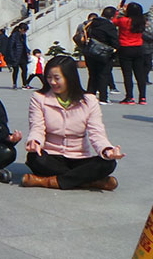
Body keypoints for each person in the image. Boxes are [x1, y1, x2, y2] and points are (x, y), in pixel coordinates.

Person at [23, 56, 124, 190]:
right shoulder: (39, 98)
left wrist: (107, 150)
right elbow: (37, 126)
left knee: (108, 163)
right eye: (48, 77)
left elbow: (96, 132)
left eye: (57, 78)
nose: (52, 82)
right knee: (34, 158)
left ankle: (47, 181)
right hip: (52, 155)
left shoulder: (89, 101)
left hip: (80, 157)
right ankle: (88, 181)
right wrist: (35, 141)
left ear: (70, 77)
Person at [81, 8, 120, 104]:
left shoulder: (92, 23)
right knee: (103, 75)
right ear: (112, 16)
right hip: (103, 53)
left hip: (90, 51)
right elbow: (114, 40)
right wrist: (116, 50)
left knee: (92, 75)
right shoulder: (109, 26)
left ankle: (90, 96)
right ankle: (103, 98)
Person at [113, 1, 148, 104]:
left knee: (127, 74)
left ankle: (130, 97)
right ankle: (142, 98)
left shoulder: (123, 20)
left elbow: (114, 21)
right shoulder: (142, 21)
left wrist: (118, 10)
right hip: (138, 47)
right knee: (140, 74)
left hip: (125, 48)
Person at [6, 23, 30, 89]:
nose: (25, 32)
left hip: (22, 55)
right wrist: (12, 57)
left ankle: (24, 84)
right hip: (16, 55)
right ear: (20, 29)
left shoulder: (23, 36)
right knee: (16, 70)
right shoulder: (14, 35)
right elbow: (10, 47)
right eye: (24, 30)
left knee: (25, 69)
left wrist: (28, 51)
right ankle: (14, 83)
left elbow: (24, 45)